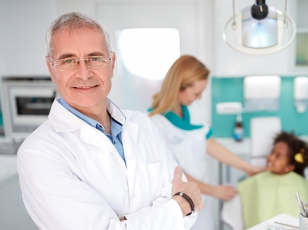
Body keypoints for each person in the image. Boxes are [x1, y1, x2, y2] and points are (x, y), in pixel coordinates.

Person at [17, 12, 202, 230]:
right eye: (68, 61)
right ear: (51, 68)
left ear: (112, 63)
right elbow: (186, 204)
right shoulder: (38, 153)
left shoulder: (142, 124)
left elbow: (191, 212)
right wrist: (180, 205)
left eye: (95, 58)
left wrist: (125, 223)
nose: (84, 74)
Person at [148, 55, 264, 229]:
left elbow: (210, 144)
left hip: (202, 197)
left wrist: (248, 168)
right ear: (179, 87)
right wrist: (214, 190)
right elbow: (175, 175)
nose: (200, 98)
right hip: (180, 203)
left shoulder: (192, 108)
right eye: (196, 93)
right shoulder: (155, 124)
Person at [238, 131, 308, 228]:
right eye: (272, 152)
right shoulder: (258, 179)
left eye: (278, 156)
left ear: (289, 167)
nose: (270, 157)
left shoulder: (300, 184)